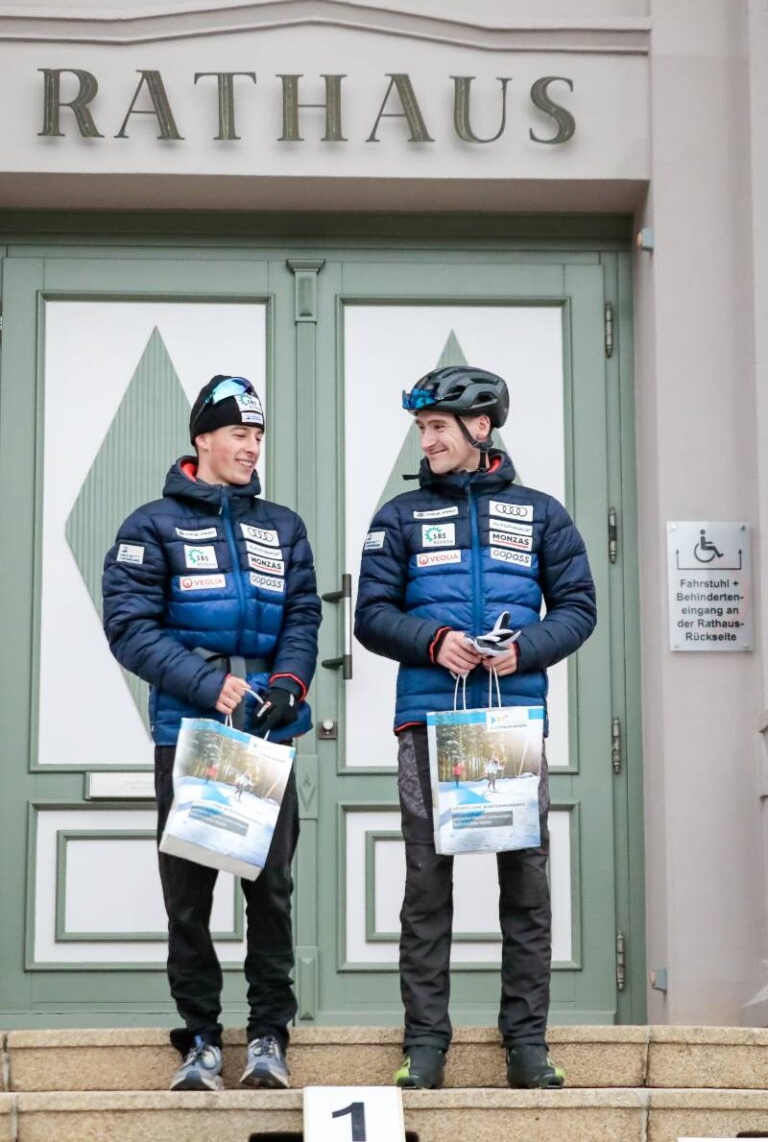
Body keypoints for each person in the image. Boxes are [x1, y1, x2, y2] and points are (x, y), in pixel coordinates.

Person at [354, 365, 596, 1092]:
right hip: (428, 722)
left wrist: (526, 649)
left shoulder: (542, 514)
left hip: (510, 725)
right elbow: (369, 615)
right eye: (422, 428)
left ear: (480, 428)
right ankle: (425, 1044)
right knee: (427, 885)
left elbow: (578, 607)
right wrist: (432, 641)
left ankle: (526, 1044)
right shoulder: (397, 518)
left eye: (437, 427)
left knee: (524, 884)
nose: (425, 441)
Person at [102, 375, 321, 1093]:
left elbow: (302, 617)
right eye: (238, 435)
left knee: (271, 891)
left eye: (258, 437)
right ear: (202, 439)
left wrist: (288, 682)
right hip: (188, 733)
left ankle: (267, 1034)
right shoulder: (150, 526)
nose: (251, 447)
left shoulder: (282, 526)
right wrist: (206, 684)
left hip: (265, 737)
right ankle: (198, 1037)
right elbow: (130, 629)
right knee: (188, 895)